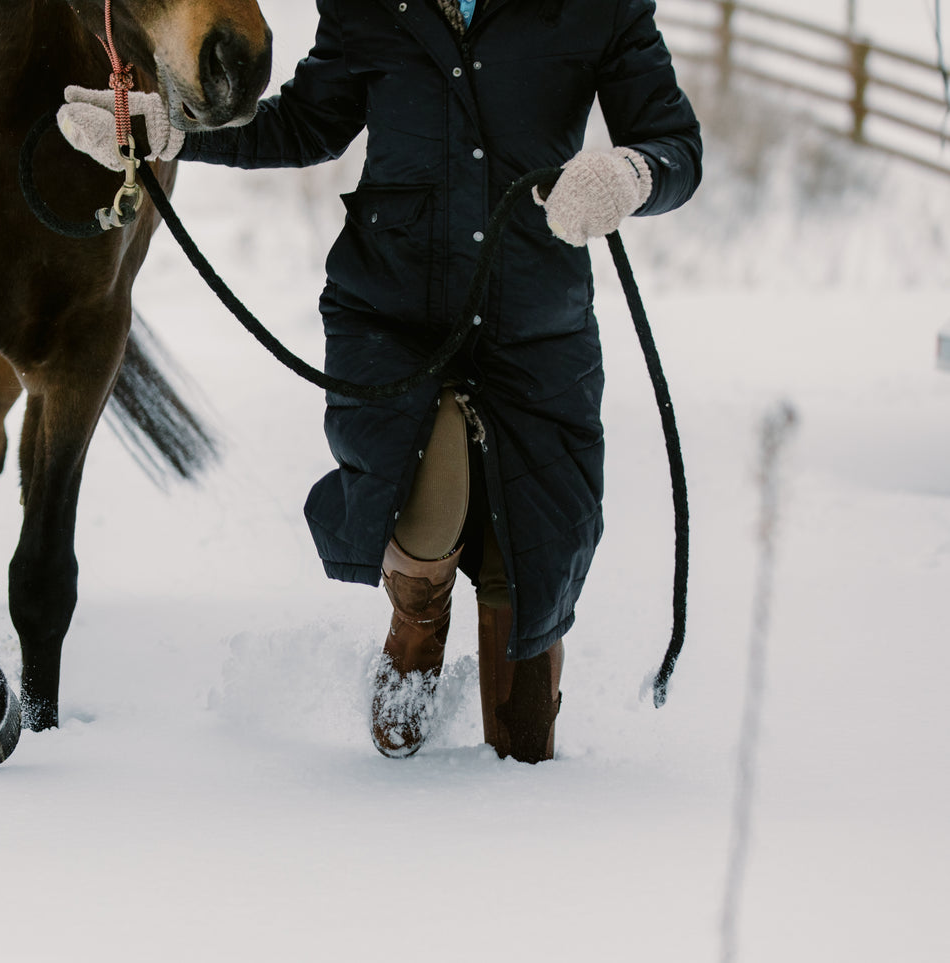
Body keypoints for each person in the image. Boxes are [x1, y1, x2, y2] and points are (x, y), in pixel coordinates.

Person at [59, 0, 702, 761]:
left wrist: (631, 173)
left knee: (528, 590)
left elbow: (675, 146)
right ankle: (415, 627)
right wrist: (168, 132)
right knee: (422, 506)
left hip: (536, 325)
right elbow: (307, 124)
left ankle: (521, 726)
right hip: (390, 315)